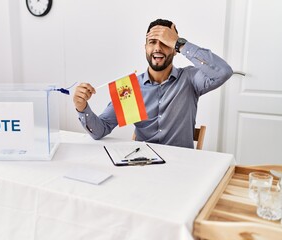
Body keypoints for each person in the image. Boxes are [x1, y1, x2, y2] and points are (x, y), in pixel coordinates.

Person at [73, 19, 233, 149]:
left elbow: (223, 72)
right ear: (145, 48)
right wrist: (82, 107)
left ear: (174, 49)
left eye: (165, 42)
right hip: (142, 165)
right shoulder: (129, 89)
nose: (157, 47)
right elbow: (100, 130)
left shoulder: (190, 79)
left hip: (182, 167)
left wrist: (180, 43)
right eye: (152, 42)